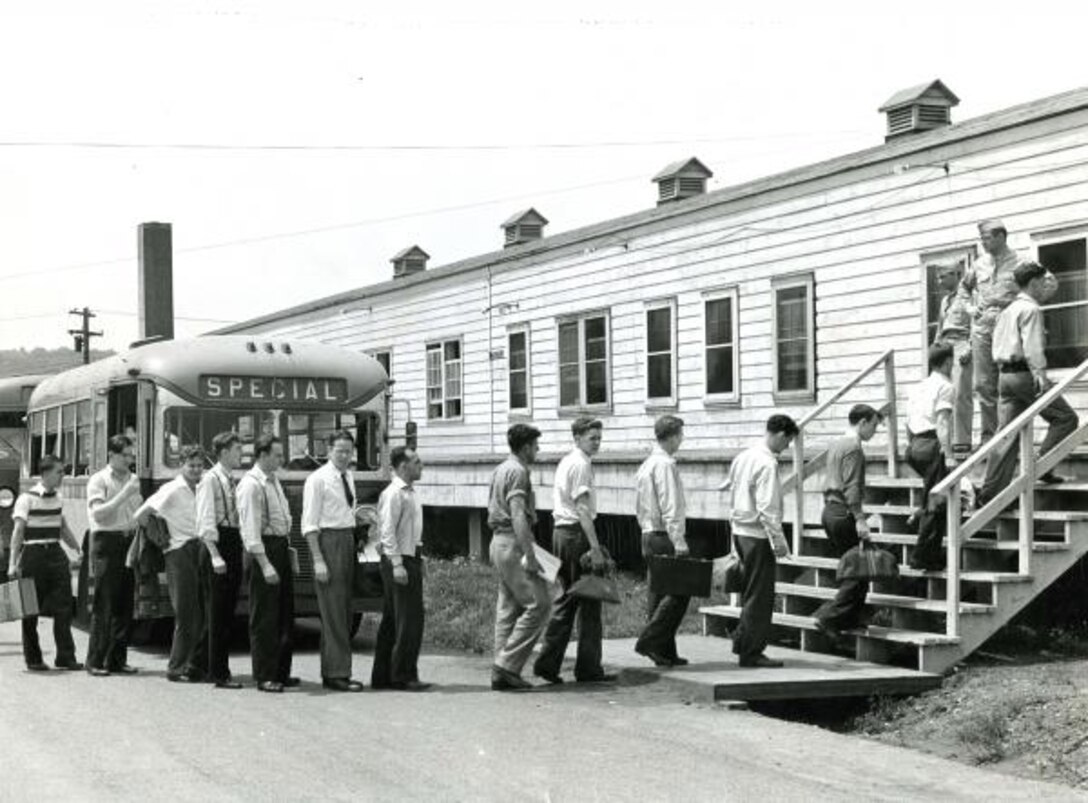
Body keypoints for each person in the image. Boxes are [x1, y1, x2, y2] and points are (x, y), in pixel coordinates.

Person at [979, 261, 1078, 503]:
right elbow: (1032, 346)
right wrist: (1040, 374)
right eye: (1043, 282)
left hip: (1005, 375)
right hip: (1025, 374)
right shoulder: (1031, 309)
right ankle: (1042, 466)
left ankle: (989, 494)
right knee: (1066, 418)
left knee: (1007, 435)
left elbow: (996, 344)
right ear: (1033, 283)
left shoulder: (1008, 310)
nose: (1046, 287)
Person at [534, 417, 616, 685]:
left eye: (599, 438)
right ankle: (589, 668)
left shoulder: (567, 461)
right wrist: (595, 548)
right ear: (578, 438)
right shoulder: (580, 463)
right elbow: (582, 508)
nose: (597, 443)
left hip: (561, 533)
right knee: (590, 600)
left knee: (566, 599)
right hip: (575, 534)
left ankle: (548, 663)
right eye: (592, 438)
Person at [724, 414, 798, 668]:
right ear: (780, 434)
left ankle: (743, 642)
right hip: (757, 534)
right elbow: (768, 507)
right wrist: (779, 541)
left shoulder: (743, 456)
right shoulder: (767, 464)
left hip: (740, 530)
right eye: (787, 441)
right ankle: (752, 650)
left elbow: (731, 492)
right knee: (760, 594)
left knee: (749, 591)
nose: (787, 447)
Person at [136, 444, 207, 683]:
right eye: (191, 465)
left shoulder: (202, 486)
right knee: (186, 613)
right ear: (182, 465)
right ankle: (176, 667)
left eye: (199, 465)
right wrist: (160, 539)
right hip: (179, 552)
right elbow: (141, 515)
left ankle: (192, 664)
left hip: (200, 548)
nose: (196, 470)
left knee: (200, 612)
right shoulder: (172, 489)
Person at [488, 424, 551, 692]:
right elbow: (517, 515)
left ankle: (501, 667)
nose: (537, 450)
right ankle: (507, 665)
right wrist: (530, 554)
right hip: (513, 542)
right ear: (525, 447)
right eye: (536, 446)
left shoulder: (501, 468)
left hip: (498, 542)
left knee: (509, 607)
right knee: (540, 604)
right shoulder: (517, 472)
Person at [302, 429, 365, 692]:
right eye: (339, 451)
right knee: (333, 611)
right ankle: (337, 673)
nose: (344, 456)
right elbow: (309, 524)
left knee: (344, 609)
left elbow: (347, 512)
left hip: (347, 540)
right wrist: (318, 560)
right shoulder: (317, 480)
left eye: (348, 451)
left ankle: (336, 670)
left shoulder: (348, 476)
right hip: (328, 543)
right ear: (328, 450)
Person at [7, 455, 83, 672]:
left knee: (64, 607)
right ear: (46, 473)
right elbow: (18, 532)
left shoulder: (58, 498)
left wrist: (76, 547)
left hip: (56, 553)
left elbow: (62, 527)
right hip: (33, 554)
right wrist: (13, 563)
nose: (62, 476)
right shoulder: (26, 499)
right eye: (59, 472)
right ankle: (33, 659)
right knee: (30, 610)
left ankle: (65, 657)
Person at [813, 404, 882, 640]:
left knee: (853, 567)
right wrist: (860, 519)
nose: (875, 431)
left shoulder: (836, 444)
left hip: (830, 510)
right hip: (844, 512)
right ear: (862, 422)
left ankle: (850, 619)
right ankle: (828, 616)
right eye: (873, 425)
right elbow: (851, 487)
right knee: (857, 571)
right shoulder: (853, 448)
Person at [237, 434, 297, 693]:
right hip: (264, 550)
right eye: (277, 455)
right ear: (262, 455)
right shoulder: (252, 485)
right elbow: (250, 531)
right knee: (265, 617)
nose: (282, 459)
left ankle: (281, 672)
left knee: (284, 613)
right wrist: (265, 564)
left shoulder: (273, 481)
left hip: (280, 547)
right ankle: (265, 675)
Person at [634, 414, 691, 668]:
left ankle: (665, 650)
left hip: (648, 532)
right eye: (680, 434)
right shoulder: (665, 464)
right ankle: (651, 640)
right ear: (672, 435)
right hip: (663, 534)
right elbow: (670, 505)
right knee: (680, 591)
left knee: (658, 593)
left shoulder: (646, 464)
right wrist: (678, 539)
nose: (681, 439)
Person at [372, 446, 429, 692]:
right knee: (409, 620)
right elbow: (386, 532)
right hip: (399, 560)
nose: (421, 465)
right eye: (416, 462)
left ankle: (384, 674)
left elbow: (409, 531)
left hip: (410, 556)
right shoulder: (395, 493)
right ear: (404, 466)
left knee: (394, 619)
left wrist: (419, 557)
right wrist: (397, 564)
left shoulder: (410, 492)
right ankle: (403, 675)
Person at [961, 219, 1022, 445]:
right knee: (983, 386)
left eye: (986, 238)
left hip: (1009, 331)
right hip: (982, 331)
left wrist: (1023, 305)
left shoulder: (1022, 262)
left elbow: (1047, 285)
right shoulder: (978, 265)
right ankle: (990, 440)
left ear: (1000, 236)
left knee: (1011, 384)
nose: (983, 243)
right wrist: (969, 308)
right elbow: (963, 290)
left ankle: (1011, 437)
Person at [85, 434, 141, 677]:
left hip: (128, 539)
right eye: (125, 455)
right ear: (112, 455)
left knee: (124, 603)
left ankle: (117, 659)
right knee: (104, 603)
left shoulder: (133, 479)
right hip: (107, 541)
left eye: (132, 456)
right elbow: (98, 514)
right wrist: (124, 494)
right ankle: (95, 660)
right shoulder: (99, 480)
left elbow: (137, 509)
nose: (129, 460)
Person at [195, 431, 244, 690]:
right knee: (218, 613)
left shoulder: (229, 479)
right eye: (237, 449)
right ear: (223, 452)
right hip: (217, 545)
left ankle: (200, 665)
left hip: (231, 541)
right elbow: (205, 520)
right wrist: (215, 555)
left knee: (225, 611)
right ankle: (218, 673)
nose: (241, 453)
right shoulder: (210, 480)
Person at [905, 345, 957, 571]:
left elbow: (908, 423)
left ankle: (919, 519)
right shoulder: (945, 386)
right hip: (932, 443)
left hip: (914, 445)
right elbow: (943, 422)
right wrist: (948, 454)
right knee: (936, 503)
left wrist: (912, 447)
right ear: (947, 362)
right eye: (952, 362)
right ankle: (923, 557)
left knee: (931, 496)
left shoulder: (918, 387)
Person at [934, 260, 975, 459]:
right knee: (943, 394)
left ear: (956, 275)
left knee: (960, 394)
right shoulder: (945, 301)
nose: (939, 281)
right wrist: (935, 349)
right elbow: (940, 328)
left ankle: (962, 442)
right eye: (938, 277)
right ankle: (945, 441)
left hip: (961, 344)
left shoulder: (968, 295)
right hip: (945, 347)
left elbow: (977, 321)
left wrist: (971, 345)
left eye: (943, 276)